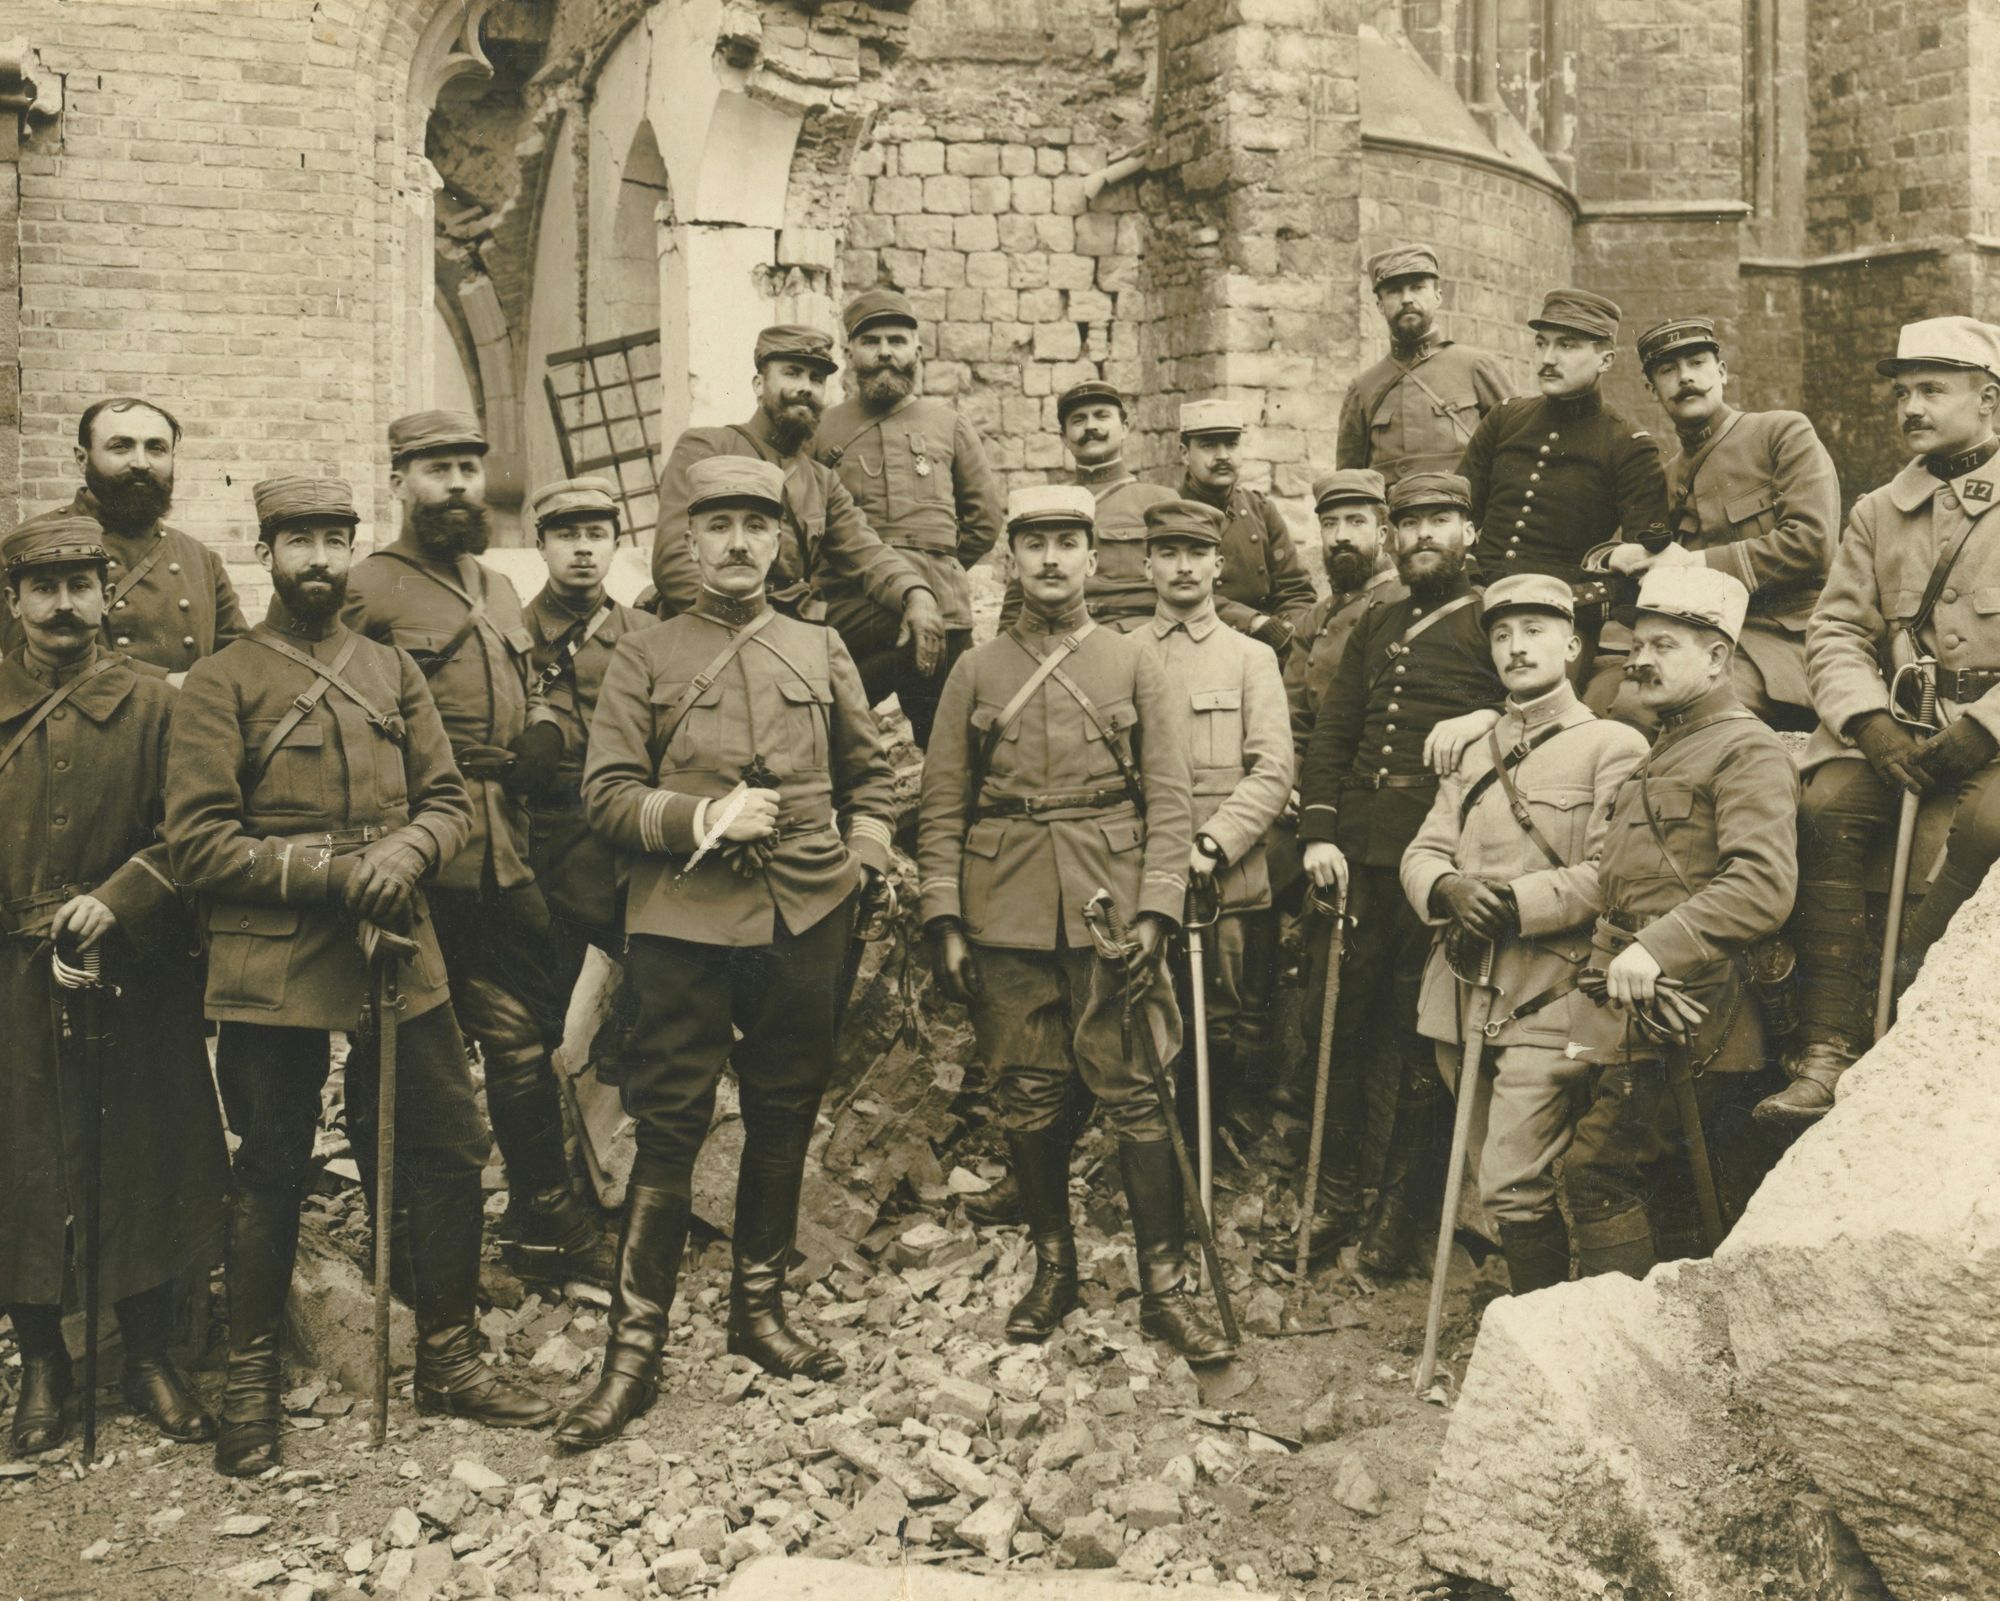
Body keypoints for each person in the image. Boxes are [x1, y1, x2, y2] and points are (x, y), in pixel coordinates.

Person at [167, 476, 555, 1477]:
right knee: (271, 1159)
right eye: (297, 541)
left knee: (450, 1140)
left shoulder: (390, 669)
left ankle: (449, 1356)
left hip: (395, 937)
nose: (318, 559)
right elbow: (199, 842)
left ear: (351, 549)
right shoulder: (221, 679)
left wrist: (410, 851)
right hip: (275, 946)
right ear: (265, 552)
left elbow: (447, 799)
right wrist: (341, 873)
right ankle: (250, 1378)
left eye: (334, 540)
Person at [560, 458, 899, 1447]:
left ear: (780, 539)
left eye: (757, 524)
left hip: (805, 913)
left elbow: (869, 775)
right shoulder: (645, 653)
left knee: (785, 1110)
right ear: (690, 539)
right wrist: (704, 816)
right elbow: (605, 793)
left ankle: (760, 1312)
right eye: (720, 525)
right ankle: (634, 1352)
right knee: (668, 1128)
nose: (740, 542)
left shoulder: (820, 645)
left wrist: (864, 859)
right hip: (682, 922)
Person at [920, 484, 1232, 1364]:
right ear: (1012, 559)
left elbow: (1169, 795)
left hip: (1112, 903)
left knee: (1137, 1089)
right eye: (1035, 544)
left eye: (1067, 542)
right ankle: (1054, 1268)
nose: (1052, 559)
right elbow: (942, 802)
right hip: (1004, 905)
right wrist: (944, 916)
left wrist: (1157, 908)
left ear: (1095, 559)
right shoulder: (975, 671)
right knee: (1027, 1092)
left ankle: (1163, 1288)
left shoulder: (1133, 663)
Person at [342, 410, 602, 1286]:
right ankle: (400, 1245)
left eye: (468, 468)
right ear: (399, 482)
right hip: (418, 864)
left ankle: (542, 1225)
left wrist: (545, 729)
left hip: (503, 860)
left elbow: (534, 687)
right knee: (397, 1055)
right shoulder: (367, 589)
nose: (458, 484)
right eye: (437, 469)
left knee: (525, 1043)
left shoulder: (495, 586)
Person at [0, 514, 227, 1457]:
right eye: (42, 588)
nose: (63, 605)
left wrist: (120, 899)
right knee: (21, 1162)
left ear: (104, 596)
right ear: (13, 600)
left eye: (79, 586)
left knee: (142, 1151)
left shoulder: (158, 706)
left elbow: (196, 830)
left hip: (133, 966)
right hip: (12, 974)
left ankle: (147, 1355)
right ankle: (42, 1362)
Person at [1759, 317, 2000, 1127]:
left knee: (1989, 824)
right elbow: (1834, 629)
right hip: (1901, 724)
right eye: (1902, 393)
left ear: (1989, 400)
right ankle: (1824, 1048)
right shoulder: (1877, 510)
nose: (1911, 408)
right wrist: (1867, 722)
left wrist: (1986, 728)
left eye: (1932, 389)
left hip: (1994, 734)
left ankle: (1901, 1007)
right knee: (1825, 806)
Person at [1400, 575, 1648, 1293]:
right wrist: (1446, 888)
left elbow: (1609, 875)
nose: (1516, 646)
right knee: (1492, 1171)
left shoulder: (1613, 744)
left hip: (1550, 992)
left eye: (1535, 631)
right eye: (1503, 634)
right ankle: (1536, 1308)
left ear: (1572, 646)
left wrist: (1514, 902)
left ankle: (1543, 1327)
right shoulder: (1475, 748)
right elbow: (1424, 850)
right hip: (1460, 992)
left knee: (1510, 1178)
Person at [1290, 472, 1505, 1279]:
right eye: (1409, 524)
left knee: (1424, 1040)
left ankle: (1399, 1212)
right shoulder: (1377, 622)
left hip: (1442, 858)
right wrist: (1320, 832)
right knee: (1333, 1023)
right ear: (1392, 537)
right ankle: (1333, 1195)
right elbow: (1335, 733)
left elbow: (1541, 704)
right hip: (1358, 850)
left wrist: (1487, 716)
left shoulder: (1492, 618)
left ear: (1468, 533)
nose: (1422, 536)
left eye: (1439, 521)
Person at [1565, 567, 1798, 1275]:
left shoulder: (1745, 748)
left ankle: (1621, 1336)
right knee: (1666, 1201)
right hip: (1635, 1009)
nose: (1641, 660)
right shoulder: (1661, 748)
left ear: (1718, 657)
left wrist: (1658, 948)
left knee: (1598, 1174)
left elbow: (1762, 883)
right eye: (1637, 645)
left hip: (1701, 1012)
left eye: (1664, 645)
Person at [652, 324, 946, 681]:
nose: (806, 387)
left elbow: (868, 552)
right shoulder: (708, 447)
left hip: (790, 620)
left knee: (908, 623)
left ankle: (827, 710)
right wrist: (742, 631)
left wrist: (916, 594)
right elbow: (674, 563)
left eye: (816, 379)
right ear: (759, 385)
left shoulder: (821, 480)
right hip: (714, 624)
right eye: (792, 373)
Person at [1585, 316, 1838, 729]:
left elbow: (1811, 544)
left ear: (1721, 372)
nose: (1685, 378)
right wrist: (1614, 556)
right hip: (1696, 638)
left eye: (1697, 363)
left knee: (1651, 709)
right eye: (1668, 370)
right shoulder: (1668, 476)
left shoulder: (1781, 433)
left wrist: (1691, 564)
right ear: (1652, 390)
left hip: (1783, 645)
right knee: (1596, 704)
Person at [1139, 497, 1293, 1155]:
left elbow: (1273, 769)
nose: (1183, 567)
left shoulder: (1250, 657)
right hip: (1140, 869)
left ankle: (1209, 1150)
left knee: (1221, 1018)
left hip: (1222, 878)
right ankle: (1155, 1154)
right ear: (1147, 566)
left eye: (1196, 553)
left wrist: (1213, 843)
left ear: (1218, 565)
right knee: (1142, 1010)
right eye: (1168, 553)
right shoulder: (1119, 654)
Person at [813, 288, 1004, 746]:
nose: (885, 353)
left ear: (917, 351)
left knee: (952, 743)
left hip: (941, 609)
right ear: (849, 354)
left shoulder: (949, 425)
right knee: (829, 734)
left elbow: (984, 520)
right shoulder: (821, 430)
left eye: (896, 341)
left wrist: (938, 568)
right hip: (852, 609)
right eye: (871, 342)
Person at [521, 477, 657, 991]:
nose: (583, 548)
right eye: (566, 535)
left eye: (596, 535)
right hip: (548, 854)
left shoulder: (648, 635)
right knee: (551, 1001)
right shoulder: (512, 636)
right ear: (540, 545)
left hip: (634, 849)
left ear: (616, 545)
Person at [1, 396, 246, 681]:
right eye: (121, 446)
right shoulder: (30, 545)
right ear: (82, 458)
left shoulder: (199, 558)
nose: (141, 463)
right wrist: (165, 683)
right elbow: (31, 669)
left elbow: (237, 660)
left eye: (156, 448)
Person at [1458, 290, 1666, 591]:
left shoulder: (1629, 445)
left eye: (1566, 345)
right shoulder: (1504, 419)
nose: (1547, 359)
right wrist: (1470, 580)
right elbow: (1459, 512)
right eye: (1541, 344)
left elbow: (1642, 562)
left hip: (1562, 605)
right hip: (1478, 594)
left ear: (1606, 360)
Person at [995, 380, 1176, 631]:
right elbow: (1017, 598)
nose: (1090, 426)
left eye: (1101, 416)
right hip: (1060, 631)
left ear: (1124, 428)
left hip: (1136, 633)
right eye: (1078, 420)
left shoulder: (1160, 501)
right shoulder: (1047, 502)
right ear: (1064, 438)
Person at [1337, 245, 1512, 486]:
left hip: (1466, 507)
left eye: (1417, 287)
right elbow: (1348, 484)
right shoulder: (1363, 388)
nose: (1407, 299)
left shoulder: (1477, 367)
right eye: (1394, 291)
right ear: (1380, 306)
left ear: (1438, 296)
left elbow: (1516, 451)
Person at [1173, 400, 1318, 654]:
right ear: (1185, 453)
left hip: (1269, 645)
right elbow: (1172, 594)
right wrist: (1252, 622)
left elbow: (1295, 590)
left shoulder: (1261, 510)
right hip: (1197, 643)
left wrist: (1288, 631)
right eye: (1208, 445)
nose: (1223, 456)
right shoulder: (1170, 514)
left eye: (1231, 444)